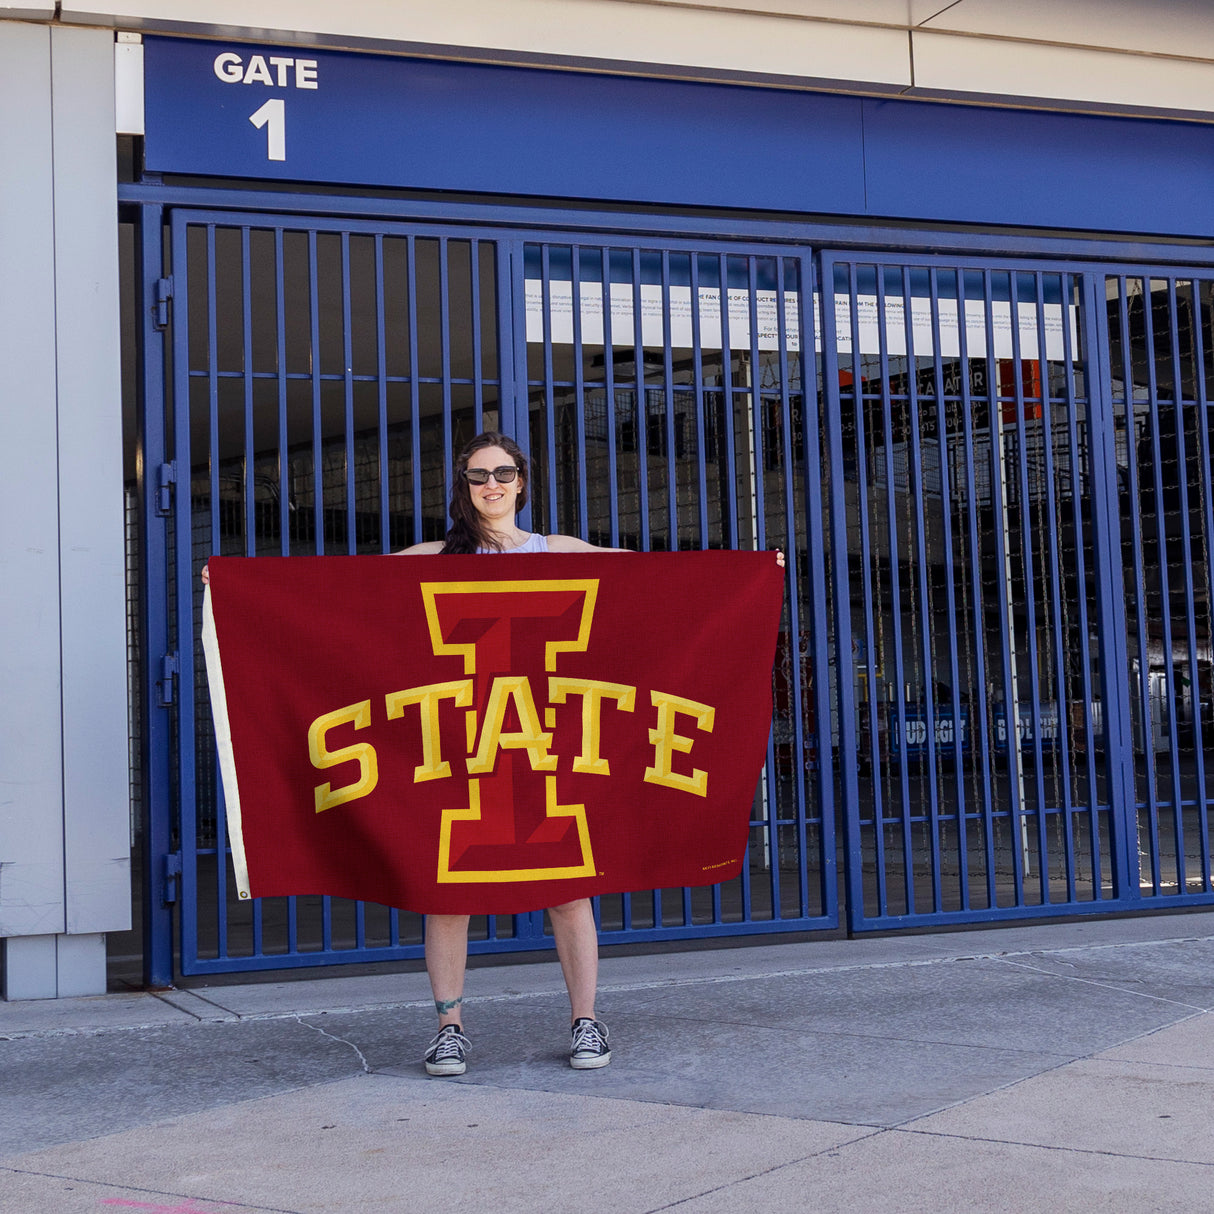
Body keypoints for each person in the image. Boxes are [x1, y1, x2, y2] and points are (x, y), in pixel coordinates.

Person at [396, 431, 625, 1078]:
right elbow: (335, 591)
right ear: (463, 486)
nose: (491, 484)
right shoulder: (436, 555)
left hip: (544, 741)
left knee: (567, 885)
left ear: (522, 481)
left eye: (503, 472)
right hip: (464, 743)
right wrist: (241, 582)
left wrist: (752, 571)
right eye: (477, 475)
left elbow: (657, 578)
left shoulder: (559, 551)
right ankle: (449, 1029)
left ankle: (586, 1020)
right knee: (448, 889)